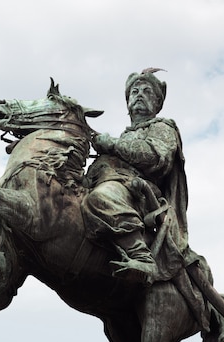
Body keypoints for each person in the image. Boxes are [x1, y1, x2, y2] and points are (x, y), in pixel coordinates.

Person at [83, 68, 196, 286]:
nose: (139, 95)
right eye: (134, 92)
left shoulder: (163, 127)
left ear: (157, 103)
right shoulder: (126, 135)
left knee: (101, 199)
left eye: (147, 91)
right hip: (113, 182)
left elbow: (156, 157)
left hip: (139, 193)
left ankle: (142, 258)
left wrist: (114, 145)